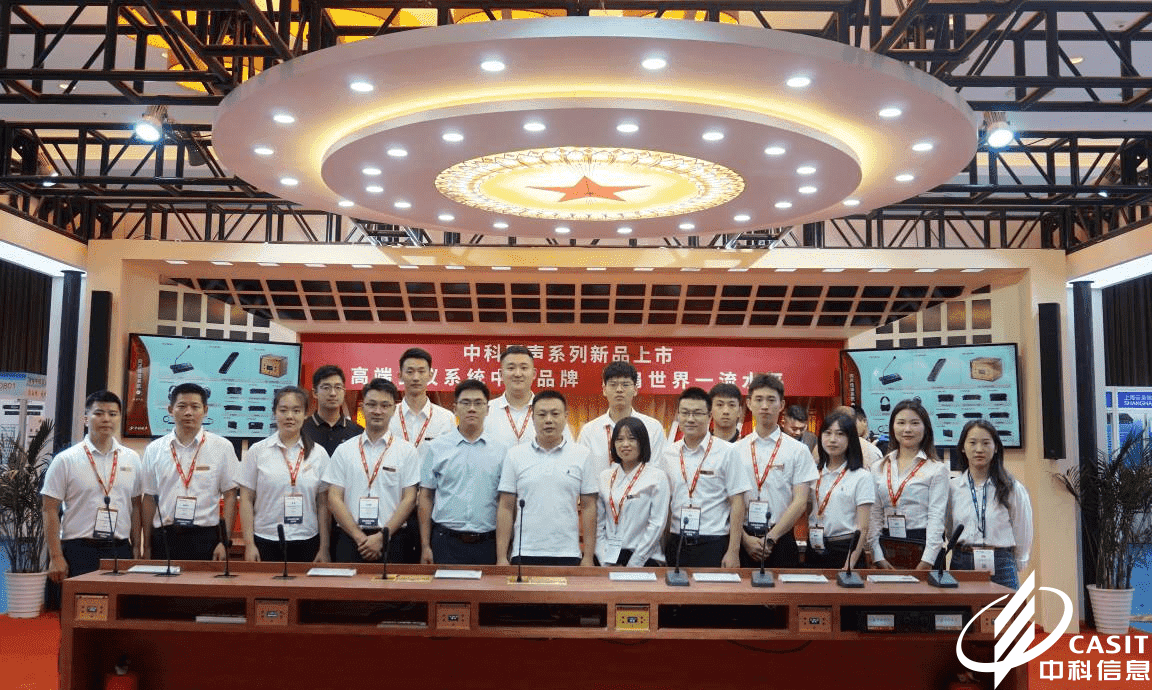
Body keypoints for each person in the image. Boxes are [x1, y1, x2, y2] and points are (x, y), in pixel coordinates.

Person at [42, 391, 142, 582]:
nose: (106, 419)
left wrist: (137, 547)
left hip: (120, 549)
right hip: (79, 550)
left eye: (112, 414)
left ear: (119, 418)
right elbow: (49, 509)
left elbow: (136, 506)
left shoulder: (132, 459)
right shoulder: (65, 460)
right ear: (86, 418)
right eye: (99, 413)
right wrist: (55, 556)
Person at [324, 378, 419, 564]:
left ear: (394, 409)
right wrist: (359, 537)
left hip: (393, 540)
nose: (377, 411)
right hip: (351, 540)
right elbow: (334, 497)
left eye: (384, 405)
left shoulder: (407, 451)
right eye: (372, 404)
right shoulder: (344, 450)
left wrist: (382, 537)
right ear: (362, 408)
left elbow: (409, 498)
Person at [497, 390, 597, 566]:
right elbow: (505, 507)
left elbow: (589, 507)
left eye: (555, 414)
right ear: (532, 418)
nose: (549, 420)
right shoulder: (515, 455)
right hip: (524, 551)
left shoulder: (582, 455)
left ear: (566, 417)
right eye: (542, 414)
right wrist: (501, 557)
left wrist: (588, 557)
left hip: (567, 552)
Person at [141, 383, 239, 561]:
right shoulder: (154, 450)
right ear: (170, 410)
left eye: (195, 407)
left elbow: (230, 496)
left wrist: (224, 541)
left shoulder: (223, 447)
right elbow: (148, 499)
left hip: (206, 538)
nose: (188, 412)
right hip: (165, 537)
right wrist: (146, 546)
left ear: (205, 410)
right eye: (181, 406)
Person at [418, 379, 509, 565]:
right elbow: (426, 497)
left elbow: (505, 503)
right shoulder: (436, 447)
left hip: (487, 543)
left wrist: (502, 555)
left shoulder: (501, 451)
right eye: (465, 403)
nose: (472, 409)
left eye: (478, 403)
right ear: (455, 408)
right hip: (445, 541)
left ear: (487, 410)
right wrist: (425, 545)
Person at [731, 374, 817, 568]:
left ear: (782, 405)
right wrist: (744, 539)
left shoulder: (798, 450)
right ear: (749, 403)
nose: (765, 406)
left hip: (781, 539)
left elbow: (800, 502)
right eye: (758, 399)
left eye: (771, 400)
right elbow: (728, 500)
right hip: (743, 540)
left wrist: (771, 538)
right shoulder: (736, 450)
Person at [238, 386, 331, 563]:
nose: (290, 416)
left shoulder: (319, 454)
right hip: (265, 539)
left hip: (307, 540)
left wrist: (324, 547)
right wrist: (249, 545)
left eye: (296, 410)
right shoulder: (257, 451)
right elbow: (246, 499)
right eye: (283, 410)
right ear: (274, 413)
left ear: (305, 414)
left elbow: (323, 505)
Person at [663, 387, 748, 568]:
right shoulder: (668, 453)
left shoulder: (727, 452)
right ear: (678, 415)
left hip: (713, 542)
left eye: (697, 413)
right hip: (677, 540)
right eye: (685, 413)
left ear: (709, 416)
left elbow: (738, 502)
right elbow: (666, 502)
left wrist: (733, 551)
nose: (690, 419)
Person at [948, 420, 1032, 589]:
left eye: (986, 443)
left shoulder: (1012, 487)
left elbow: (1022, 527)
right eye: (972, 443)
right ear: (963, 448)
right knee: (963, 607)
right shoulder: (952, 487)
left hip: (1001, 562)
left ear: (996, 448)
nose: (979, 449)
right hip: (962, 560)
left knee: (1005, 607)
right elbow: (949, 529)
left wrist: (1021, 559)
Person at [867, 399, 949, 570]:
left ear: (925, 428)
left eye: (915, 423)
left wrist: (927, 560)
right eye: (901, 423)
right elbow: (874, 515)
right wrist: (877, 556)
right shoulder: (878, 467)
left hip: (922, 545)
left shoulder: (936, 469)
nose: (907, 429)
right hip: (887, 546)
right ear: (892, 427)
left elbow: (936, 517)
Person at [596, 417, 669, 567]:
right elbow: (598, 525)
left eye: (632, 438)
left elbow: (656, 525)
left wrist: (635, 564)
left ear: (642, 442)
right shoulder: (605, 477)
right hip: (609, 557)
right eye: (619, 439)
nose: (625, 444)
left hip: (644, 558)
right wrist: (604, 561)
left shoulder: (657, 477)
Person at [806, 412, 874, 570]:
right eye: (827, 433)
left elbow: (863, 527)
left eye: (840, 434)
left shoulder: (861, 476)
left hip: (845, 548)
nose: (832, 439)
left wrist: (850, 562)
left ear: (851, 439)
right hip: (814, 546)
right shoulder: (813, 474)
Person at [577, 361, 666, 474]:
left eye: (625, 384)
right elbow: (582, 471)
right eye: (613, 384)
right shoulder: (589, 431)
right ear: (604, 389)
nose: (619, 389)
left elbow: (658, 469)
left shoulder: (653, 427)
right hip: (600, 486)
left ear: (635, 390)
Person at [390, 347, 455, 447]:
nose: (416, 378)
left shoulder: (446, 418)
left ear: (430, 375)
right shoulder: (388, 416)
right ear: (400, 375)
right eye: (410, 372)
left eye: (421, 371)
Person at [302, 365, 363, 456]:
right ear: (315, 393)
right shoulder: (301, 429)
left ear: (344, 392)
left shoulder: (357, 432)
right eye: (326, 388)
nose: (333, 393)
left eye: (338, 387)